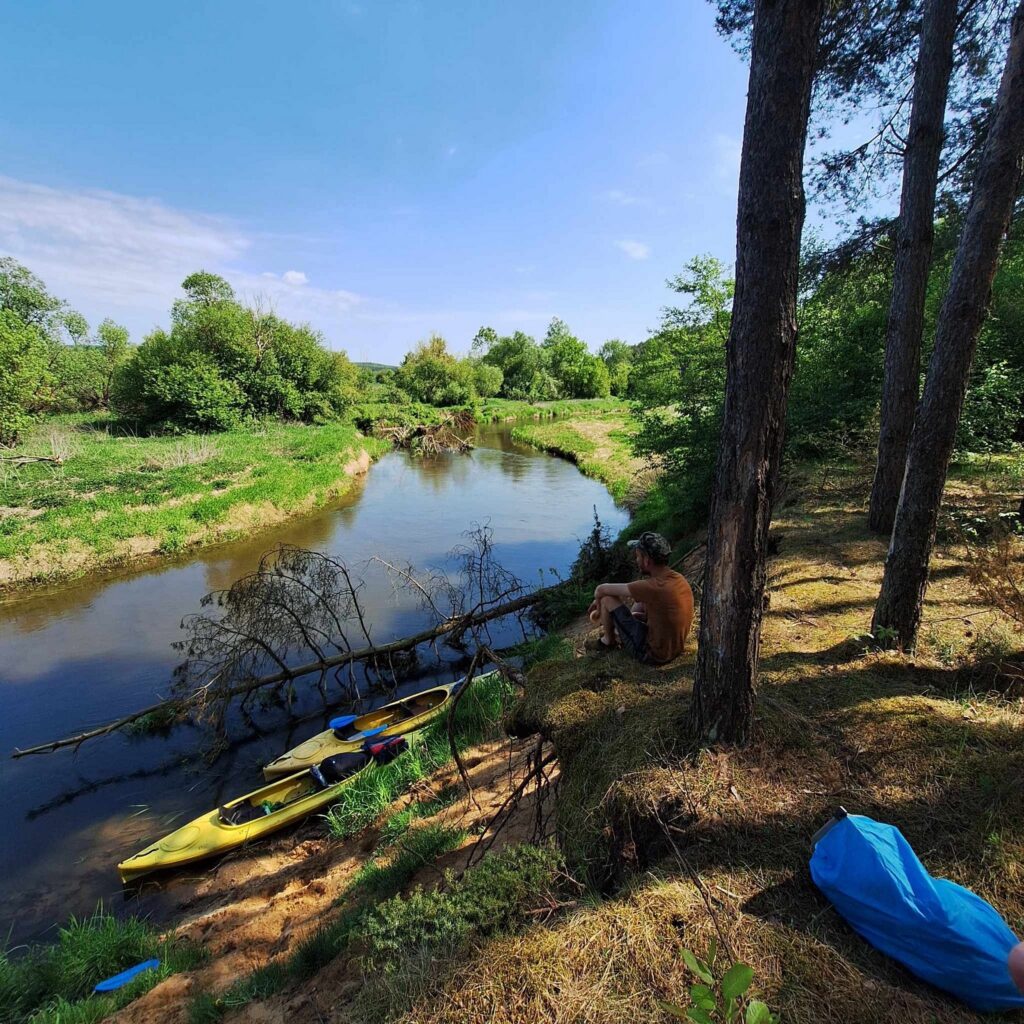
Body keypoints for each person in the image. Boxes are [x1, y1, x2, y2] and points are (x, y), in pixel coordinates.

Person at [586, 531, 693, 664]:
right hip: (673, 648)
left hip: (652, 654)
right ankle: (619, 632)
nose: (636, 560)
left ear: (647, 560)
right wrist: (641, 617)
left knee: (607, 599)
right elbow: (665, 613)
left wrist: (597, 605)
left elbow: (600, 589)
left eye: (637, 556)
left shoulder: (651, 587)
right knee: (640, 602)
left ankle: (608, 641)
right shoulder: (678, 578)